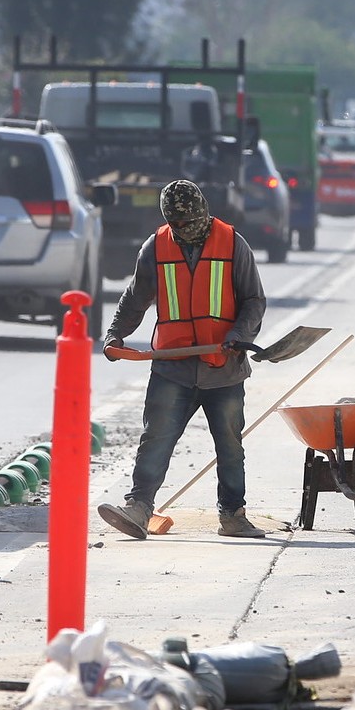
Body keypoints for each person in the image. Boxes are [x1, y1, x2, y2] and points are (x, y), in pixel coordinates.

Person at [98, 180, 270, 541]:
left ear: (204, 212)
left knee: (229, 444)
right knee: (156, 438)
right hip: (172, 366)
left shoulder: (233, 244)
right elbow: (135, 297)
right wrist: (115, 334)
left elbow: (254, 300)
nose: (185, 232)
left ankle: (233, 515)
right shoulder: (156, 247)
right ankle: (139, 508)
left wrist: (239, 336)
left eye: (190, 224)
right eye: (178, 226)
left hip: (222, 368)